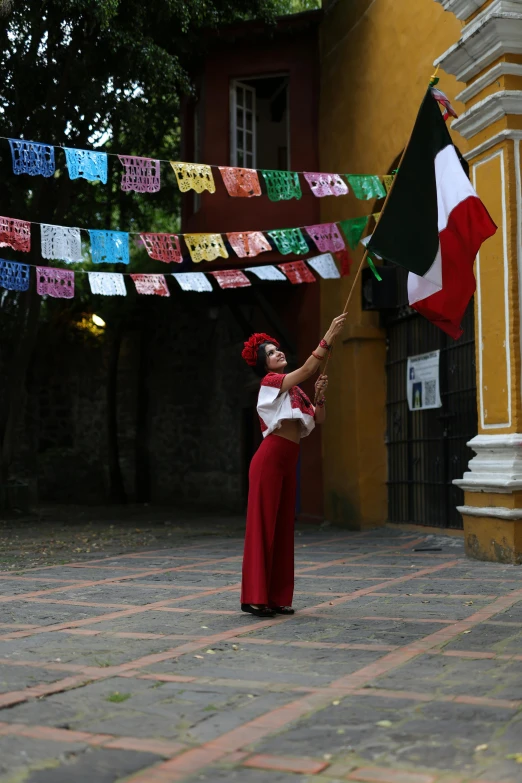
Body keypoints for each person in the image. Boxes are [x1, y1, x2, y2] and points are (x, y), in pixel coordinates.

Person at [240, 313, 347, 618]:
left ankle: (276, 597)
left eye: (277, 349)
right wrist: (328, 335)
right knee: (263, 526)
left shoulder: (296, 392)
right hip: (270, 458)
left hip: (289, 460)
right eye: (271, 353)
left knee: (284, 527)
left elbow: (319, 418)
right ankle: (254, 598)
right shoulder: (271, 382)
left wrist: (321, 396)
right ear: (265, 365)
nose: (277, 353)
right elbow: (309, 367)